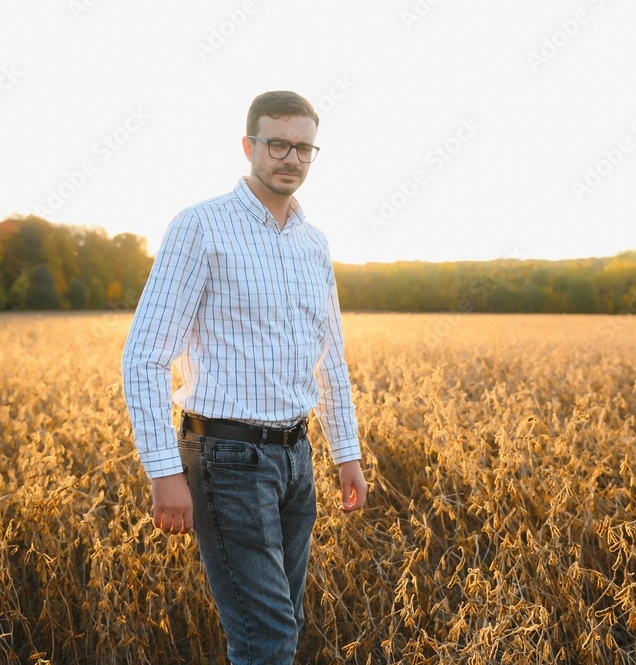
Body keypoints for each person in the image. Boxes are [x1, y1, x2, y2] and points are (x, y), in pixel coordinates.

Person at [121, 90, 367, 664]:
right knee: (268, 637)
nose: (291, 158)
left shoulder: (313, 242)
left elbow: (329, 355)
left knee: (284, 623)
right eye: (277, 143)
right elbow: (146, 356)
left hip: (295, 454)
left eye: (304, 147)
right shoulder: (201, 227)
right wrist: (163, 472)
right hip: (225, 458)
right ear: (248, 146)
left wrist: (346, 452)